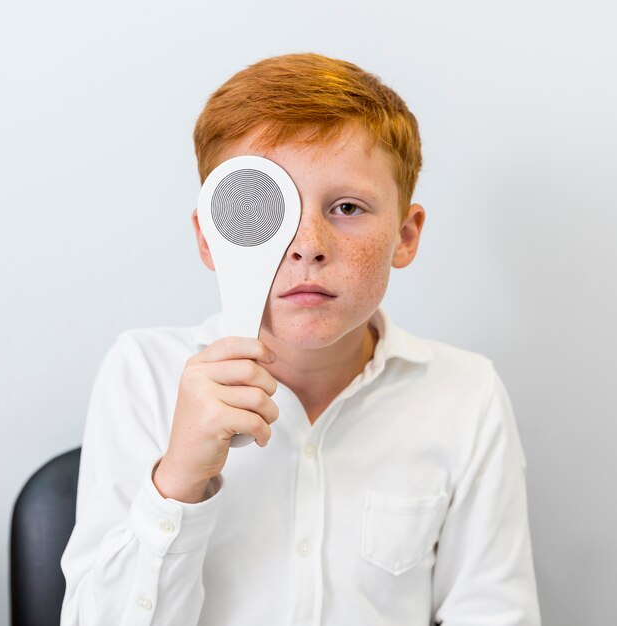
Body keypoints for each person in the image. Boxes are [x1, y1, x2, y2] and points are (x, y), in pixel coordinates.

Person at [60, 53, 541, 625]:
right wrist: (180, 480)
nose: (307, 244)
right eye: (267, 210)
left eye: (346, 207)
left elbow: (493, 611)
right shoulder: (142, 374)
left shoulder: (467, 395)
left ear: (406, 236)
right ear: (211, 240)